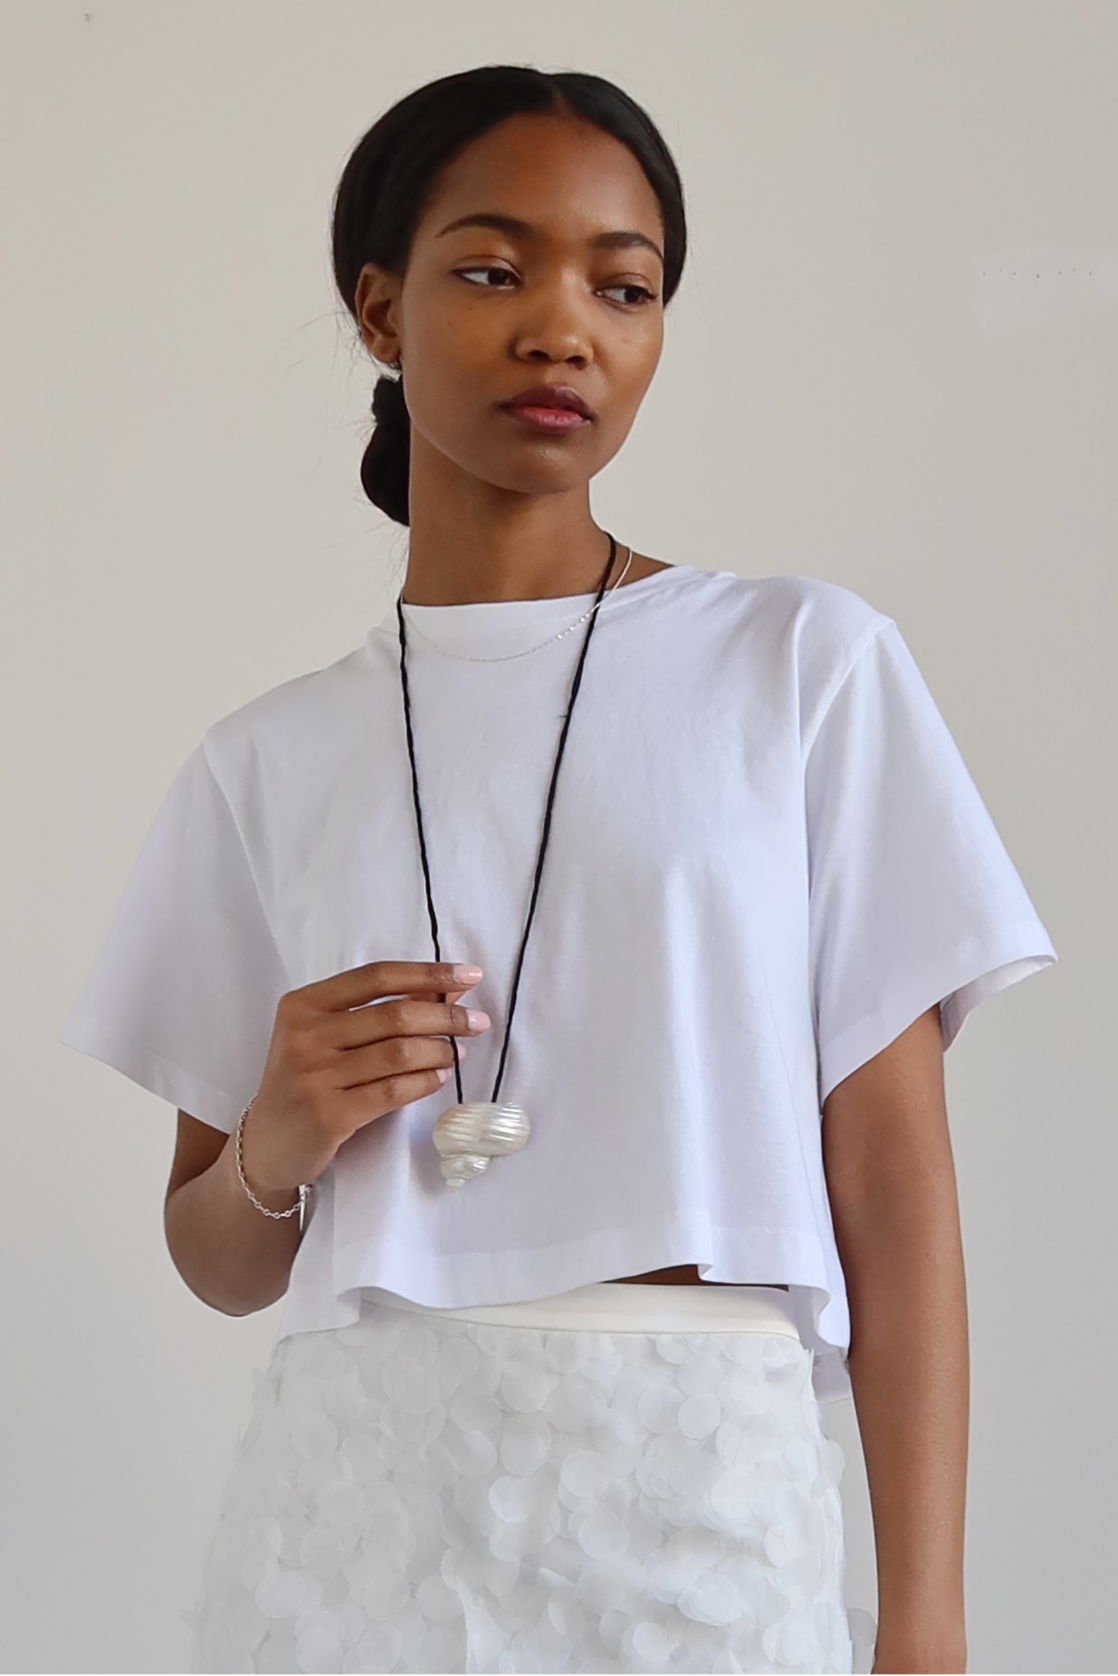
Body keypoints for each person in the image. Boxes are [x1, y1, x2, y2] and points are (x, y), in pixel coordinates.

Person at [61, 65, 1056, 1676]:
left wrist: (924, 1623)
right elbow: (217, 1262)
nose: (561, 329)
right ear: (378, 312)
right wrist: (275, 1143)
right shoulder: (267, 761)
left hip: (703, 1516)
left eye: (622, 285)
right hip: (356, 1525)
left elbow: (890, 1184)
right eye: (490, 269)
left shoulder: (799, 667)